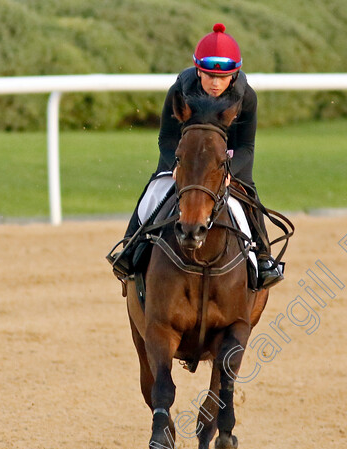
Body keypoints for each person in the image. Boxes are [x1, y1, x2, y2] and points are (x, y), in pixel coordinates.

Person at [108, 23, 284, 289]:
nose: (215, 83)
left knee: (248, 195)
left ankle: (262, 257)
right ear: (198, 69)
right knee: (155, 190)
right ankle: (131, 246)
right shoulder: (179, 91)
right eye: (209, 75)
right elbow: (166, 139)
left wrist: (226, 172)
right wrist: (175, 166)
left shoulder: (246, 97)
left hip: (226, 159)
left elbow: (246, 147)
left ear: (234, 75)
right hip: (183, 157)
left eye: (222, 77)